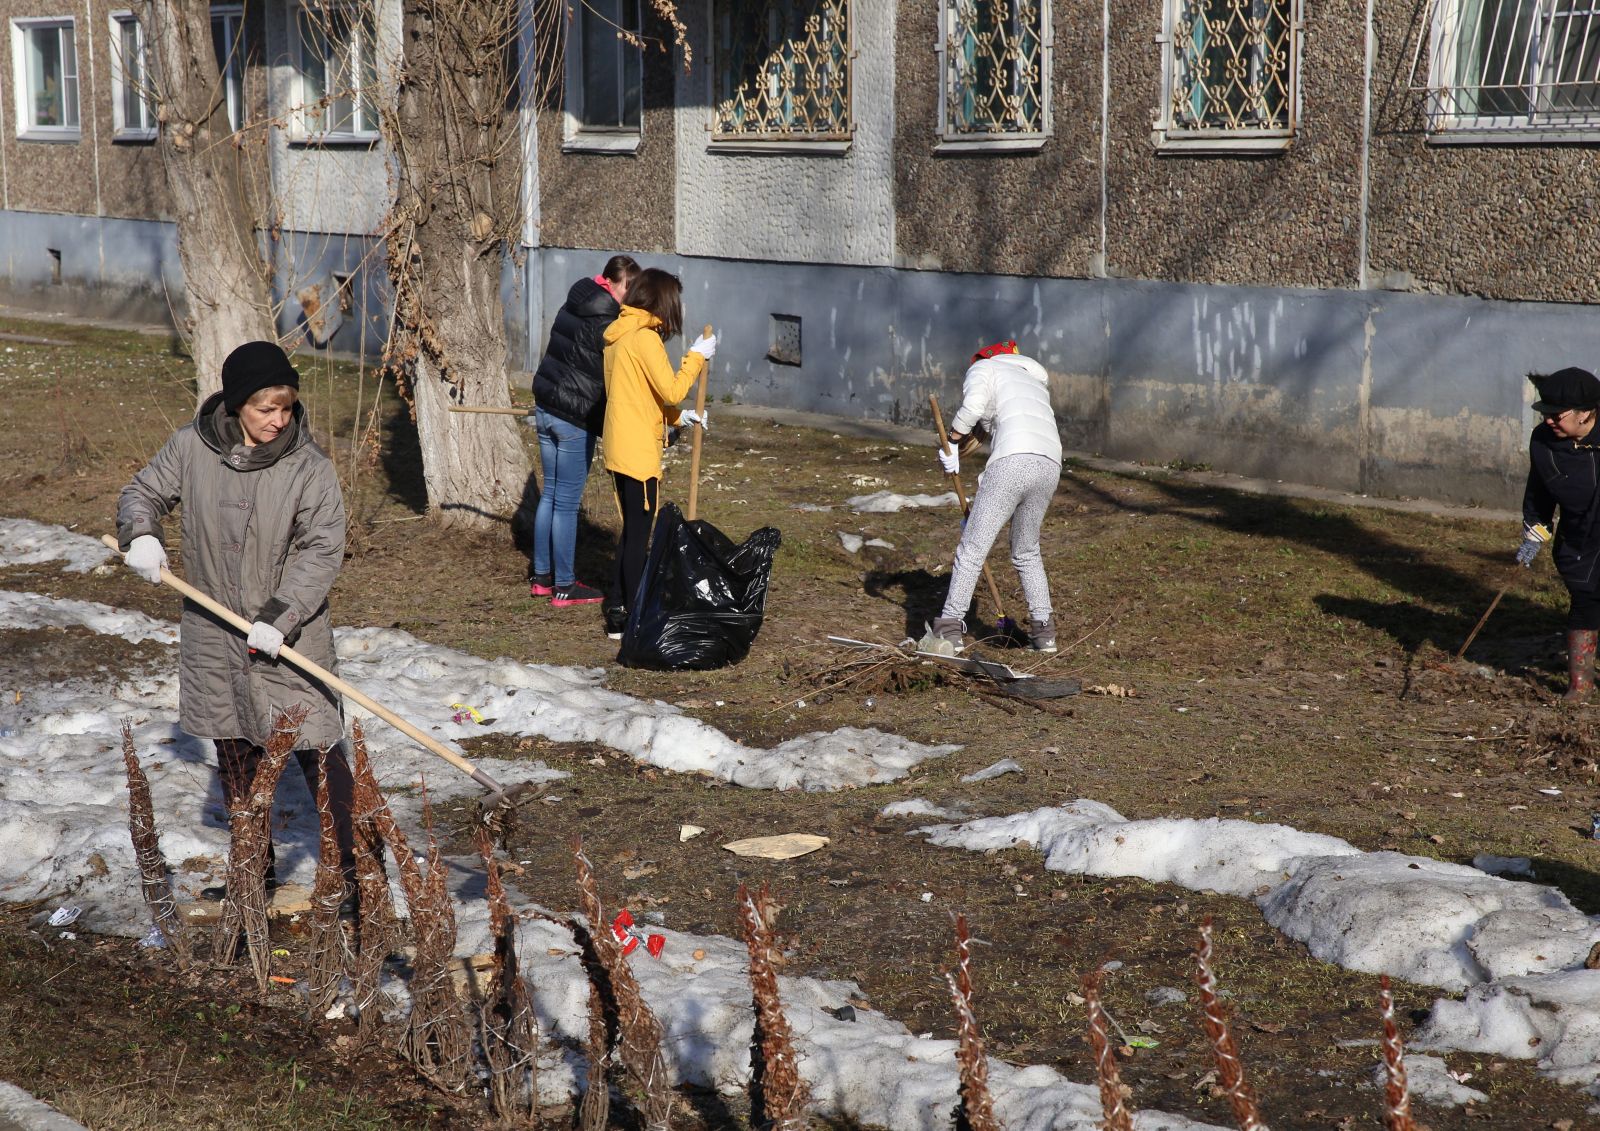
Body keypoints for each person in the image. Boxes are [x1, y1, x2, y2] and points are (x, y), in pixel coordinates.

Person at [116, 340, 357, 908]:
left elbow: (321, 550)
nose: (279, 420)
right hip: (214, 631)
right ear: (235, 405)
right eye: (265, 408)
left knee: (318, 748)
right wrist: (142, 533)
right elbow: (141, 492)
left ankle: (356, 873)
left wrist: (281, 614)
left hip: (287, 635)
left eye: (287, 407)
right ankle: (255, 874)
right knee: (237, 753)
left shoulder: (310, 468)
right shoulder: (191, 448)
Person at [600, 268, 716, 639]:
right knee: (638, 536)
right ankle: (635, 615)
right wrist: (695, 357)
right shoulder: (645, 338)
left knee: (632, 530)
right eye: (675, 301)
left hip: (620, 444)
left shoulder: (620, 335)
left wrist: (676, 418)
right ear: (662, 300)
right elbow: (670, 389)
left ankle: (617, 612)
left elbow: (639, 394)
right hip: (636, 451)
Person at [926, 340, 1063, 654]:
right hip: (1050, 463)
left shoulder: (984, 369)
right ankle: (1045, 635)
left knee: (971, 550)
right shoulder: (1031, 381)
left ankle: (947, 632)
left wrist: (952, 441)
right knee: (1027, 551)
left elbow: (974, 407)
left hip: (1013, 461)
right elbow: (1000, 424)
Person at [529, 254, 640, 606]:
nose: (630, 296)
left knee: (549, 494)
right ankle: (564, 586)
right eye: (628, 288)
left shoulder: (577, 298)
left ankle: (542, 578)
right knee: (565, 503)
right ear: (614, 284)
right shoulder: (608, 321)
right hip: (573, 419)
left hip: (546, 407)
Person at [1519, 366, 1600, 702]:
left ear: (1587, 413)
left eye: (1557, 415)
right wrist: (1535, 528)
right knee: (1585, 601)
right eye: (1545, 413)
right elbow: (1538, 489)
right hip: (1579, 537)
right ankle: (1580, 686)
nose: (1549, 421)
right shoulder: (1545, 443)